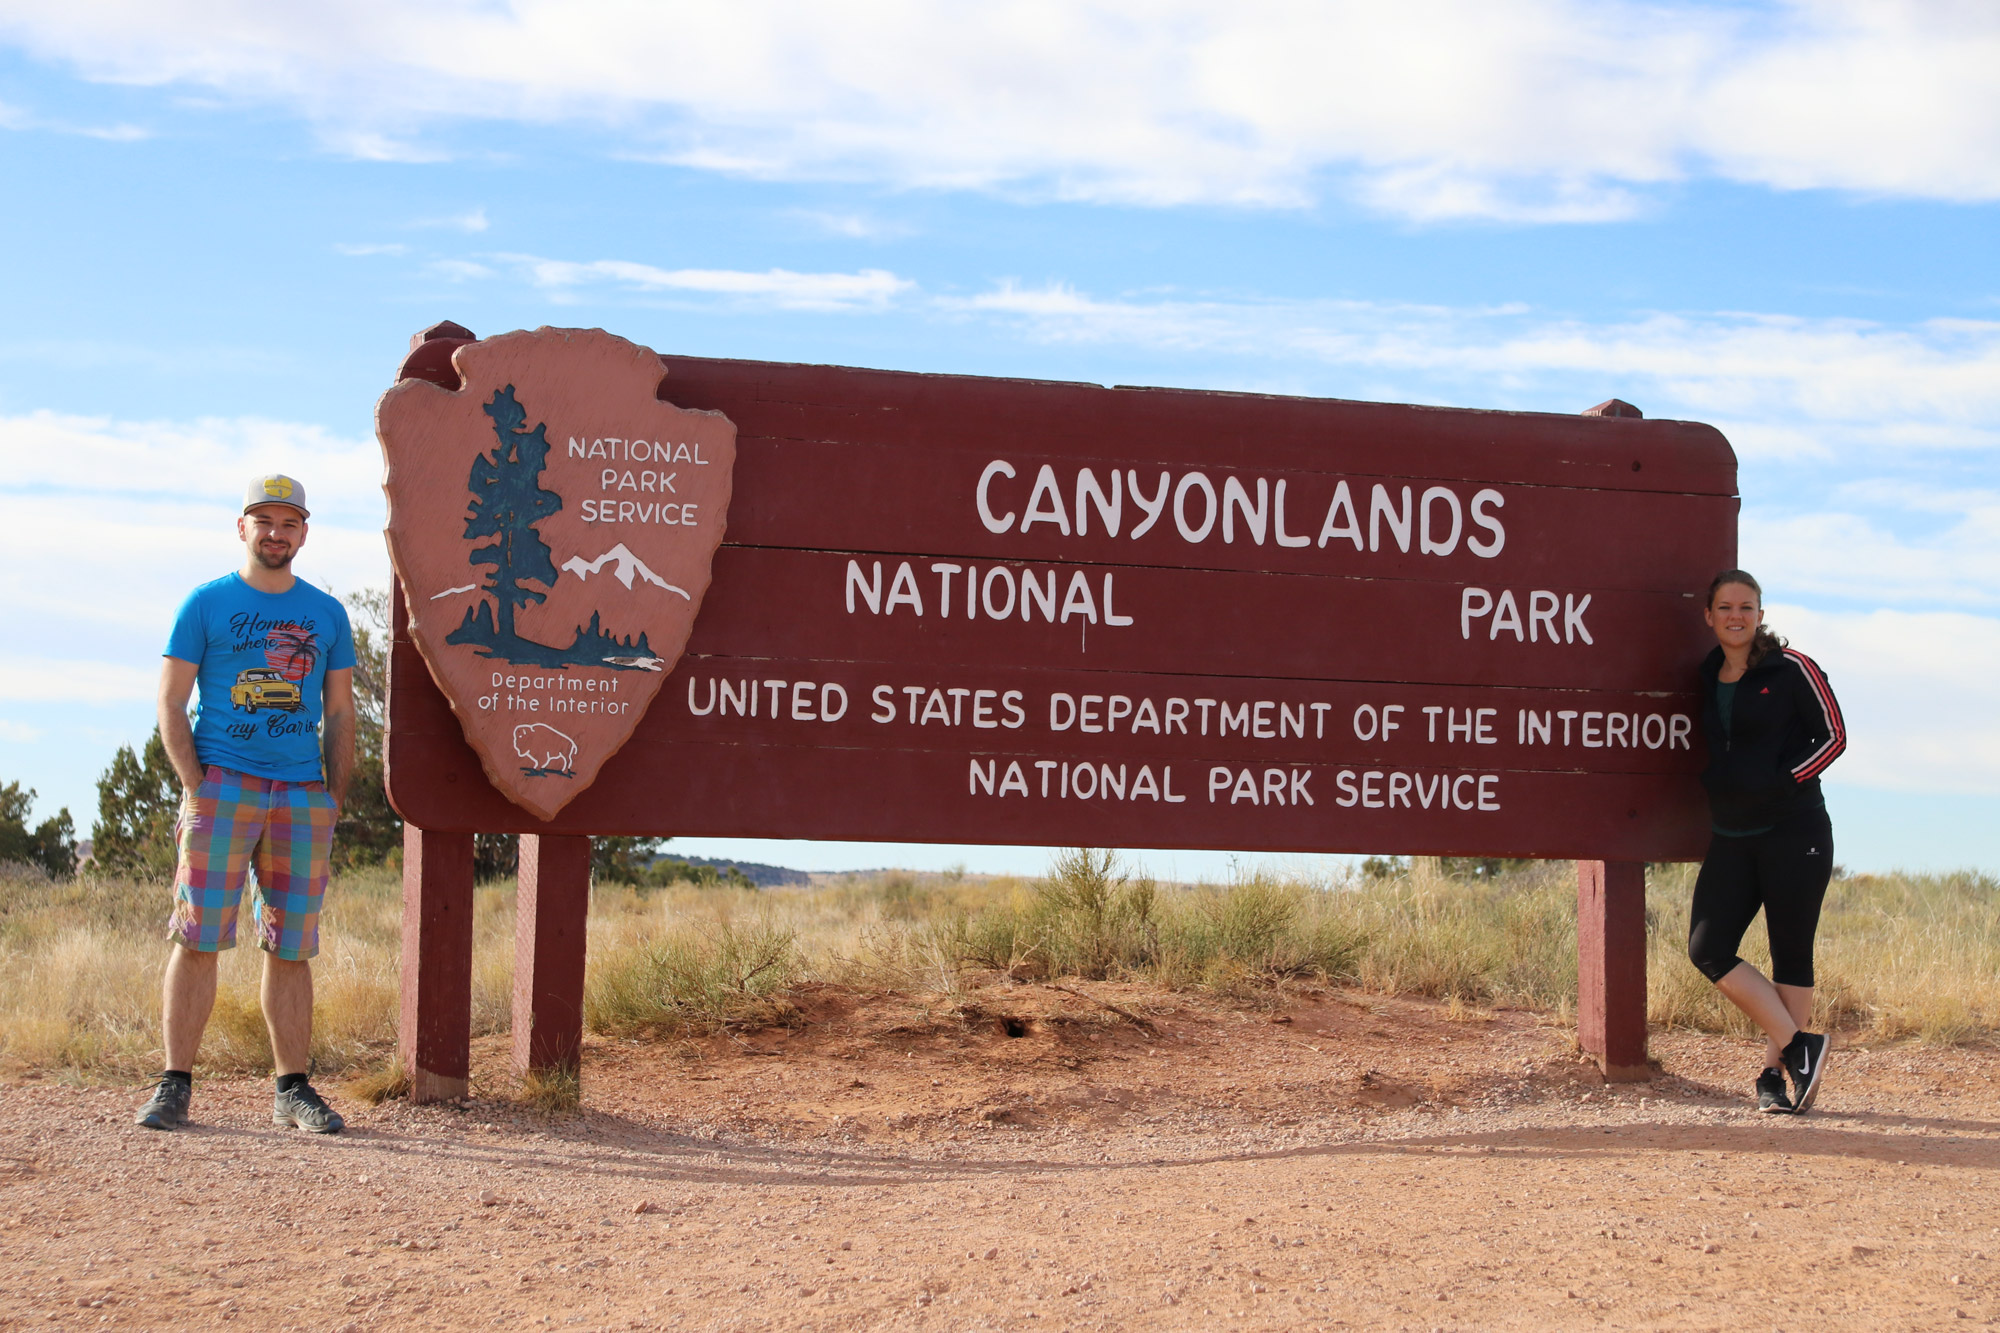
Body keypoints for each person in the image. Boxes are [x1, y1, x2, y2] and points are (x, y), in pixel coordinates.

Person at [134, 475, 356, 1133]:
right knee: (198, 933)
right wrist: (196, 784)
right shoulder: (206, 603)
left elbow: (340, 711)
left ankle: (293, 1087)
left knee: (292, 946)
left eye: (289, 523)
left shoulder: (326, 613)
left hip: (299, 793)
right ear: (242, 528)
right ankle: (175, 1082)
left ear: (304, 533)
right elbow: (171, 699)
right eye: (264, 520)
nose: (276, 533)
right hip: (223, 782)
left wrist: (332, 795)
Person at [1688, 569, 1846, 1115]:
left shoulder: (1792, 668)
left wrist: (1781, 783)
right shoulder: (1708, 674)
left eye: (1746, 607)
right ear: (1708, 616)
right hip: (1731, 835)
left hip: (1793, 831)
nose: (1736, 616)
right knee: (1706, 948)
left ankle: (1775, 1077)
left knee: (1790, 957)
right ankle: (1803, 1047)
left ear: (1760, 613)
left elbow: (1833, 736)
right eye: (1725, 607)